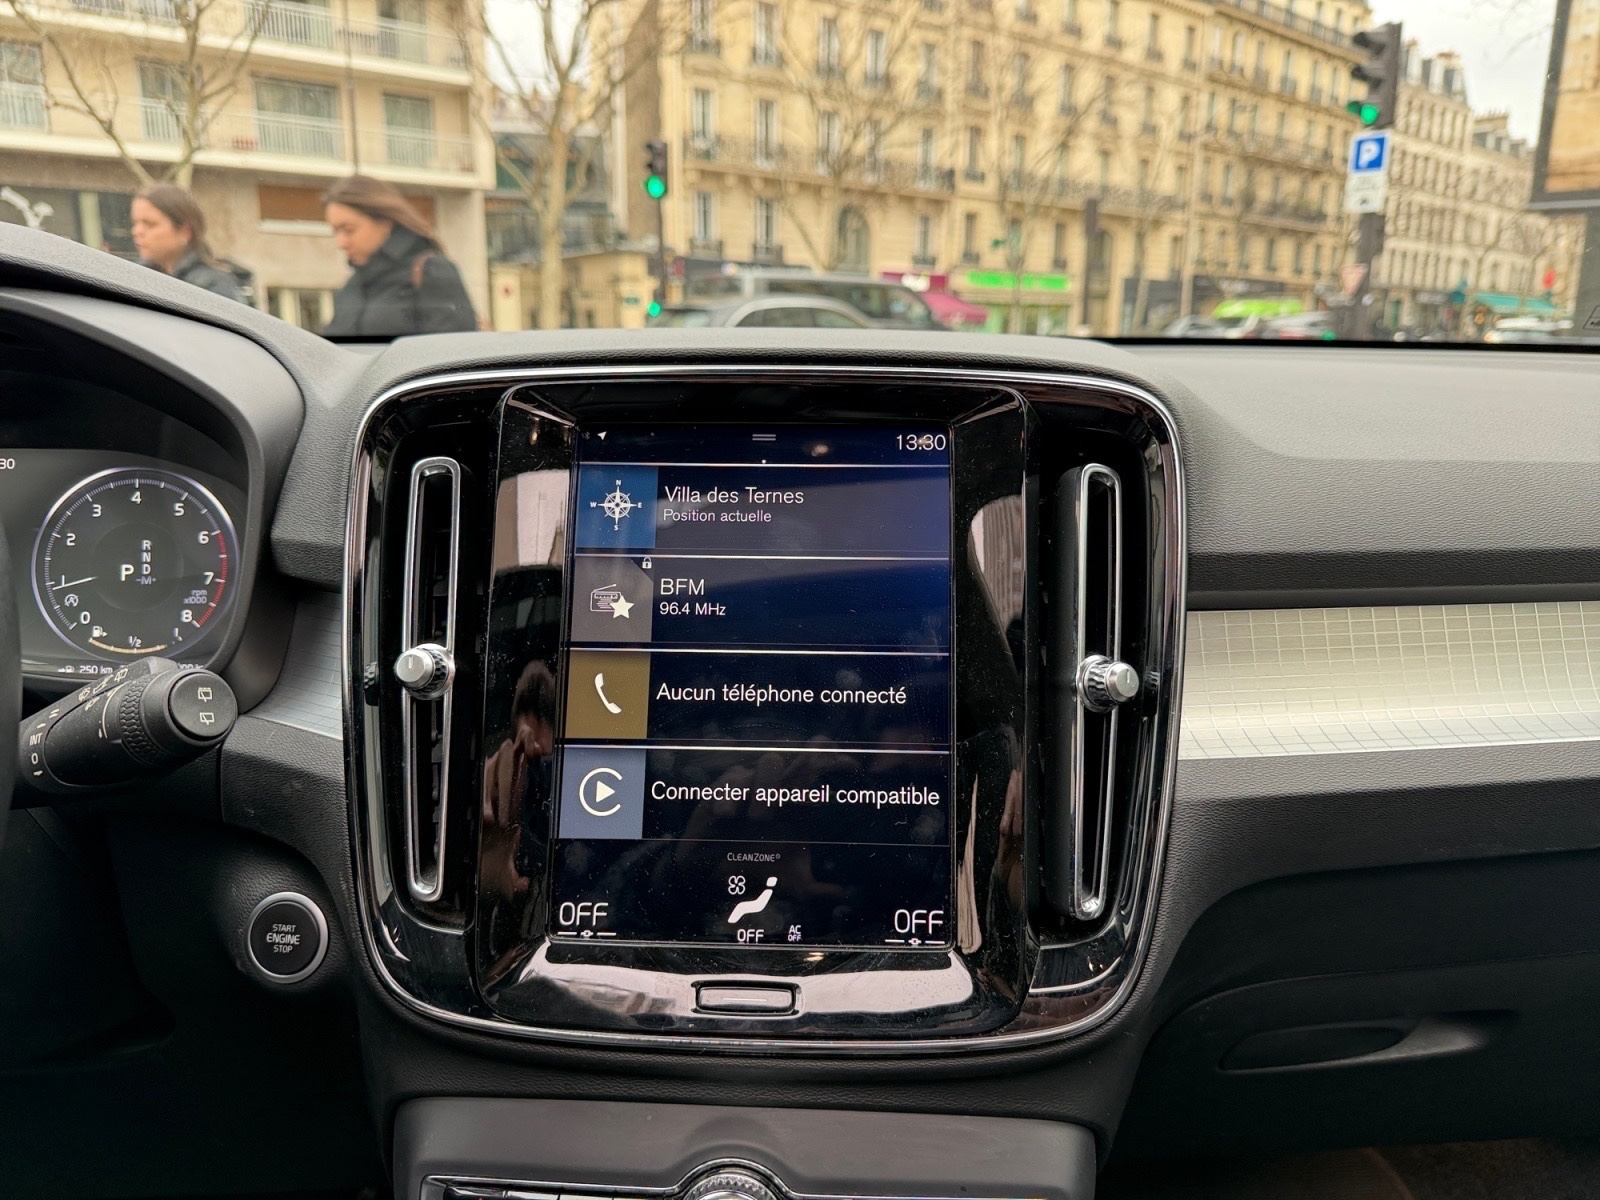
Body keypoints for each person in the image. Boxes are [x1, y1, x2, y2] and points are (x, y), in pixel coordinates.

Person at [322, 175, 477, 336]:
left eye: (349, 230)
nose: (341, 243)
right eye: (336, 232)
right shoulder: (352, 286)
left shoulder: (432, 271)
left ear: (385, 223)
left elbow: (455, 347)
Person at [130, 184, 244, 303]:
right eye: (135, 223)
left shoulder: (213, 288)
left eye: (150, 224)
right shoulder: (134, 277)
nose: (137, 231)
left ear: (185, 232)